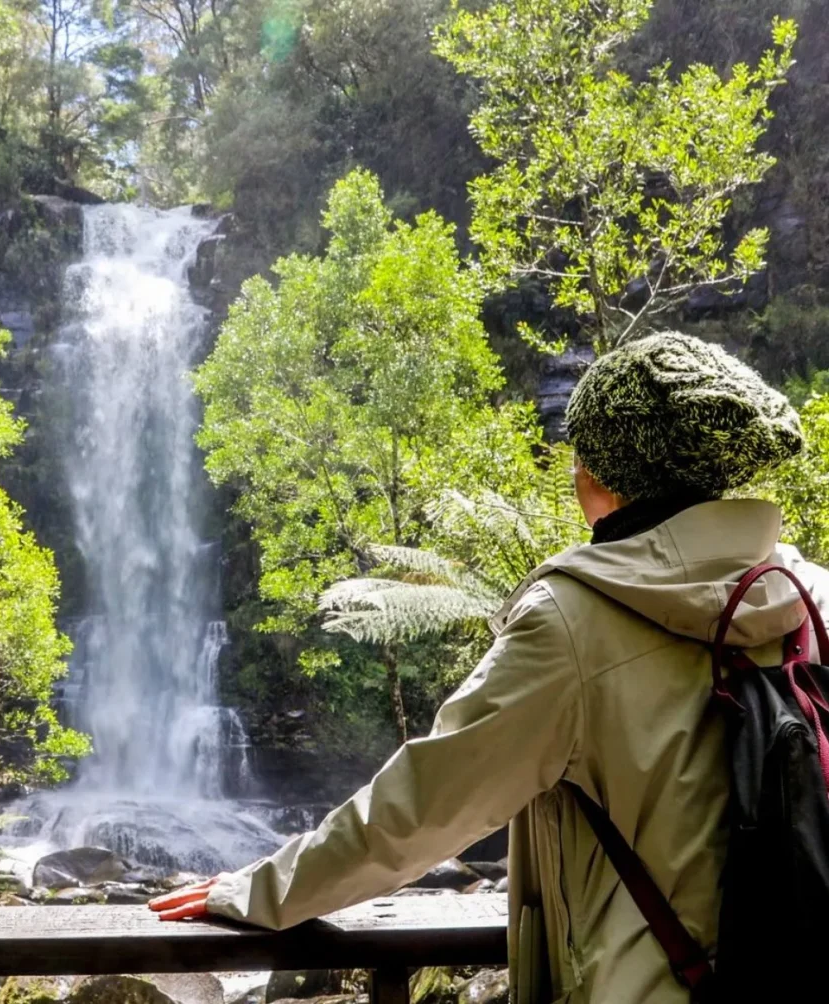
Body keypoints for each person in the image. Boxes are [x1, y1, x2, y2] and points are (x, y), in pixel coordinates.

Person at [150, 333, 828, 1003]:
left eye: (579, 453)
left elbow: (425, 803)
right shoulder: (810, 598)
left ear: (601, 478)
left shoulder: (574, 622)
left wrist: (257, 891)